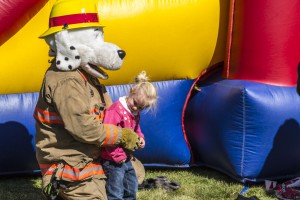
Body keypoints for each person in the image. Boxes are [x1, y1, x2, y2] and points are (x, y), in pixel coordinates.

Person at [34, 0, 140, 199]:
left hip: (94, 155)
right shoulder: (65, 81)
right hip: (73, 167)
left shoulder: (86, 74)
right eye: (92, 40)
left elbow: (107, 110)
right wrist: (122, 135)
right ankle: (59, 188)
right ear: (65, 43)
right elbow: (84, 129)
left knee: (134, 173)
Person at [101, 71, 158, 200]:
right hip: (111, 159)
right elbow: (108, 135)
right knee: (115, 190)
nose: (136, 108)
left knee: (131, 185)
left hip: (125, 157)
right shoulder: (116, 110)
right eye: (135, 103)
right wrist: (117, 155)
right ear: (131, 92)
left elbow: (136, 128)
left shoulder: (133, 112)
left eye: (141, 108)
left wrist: (140, 138)